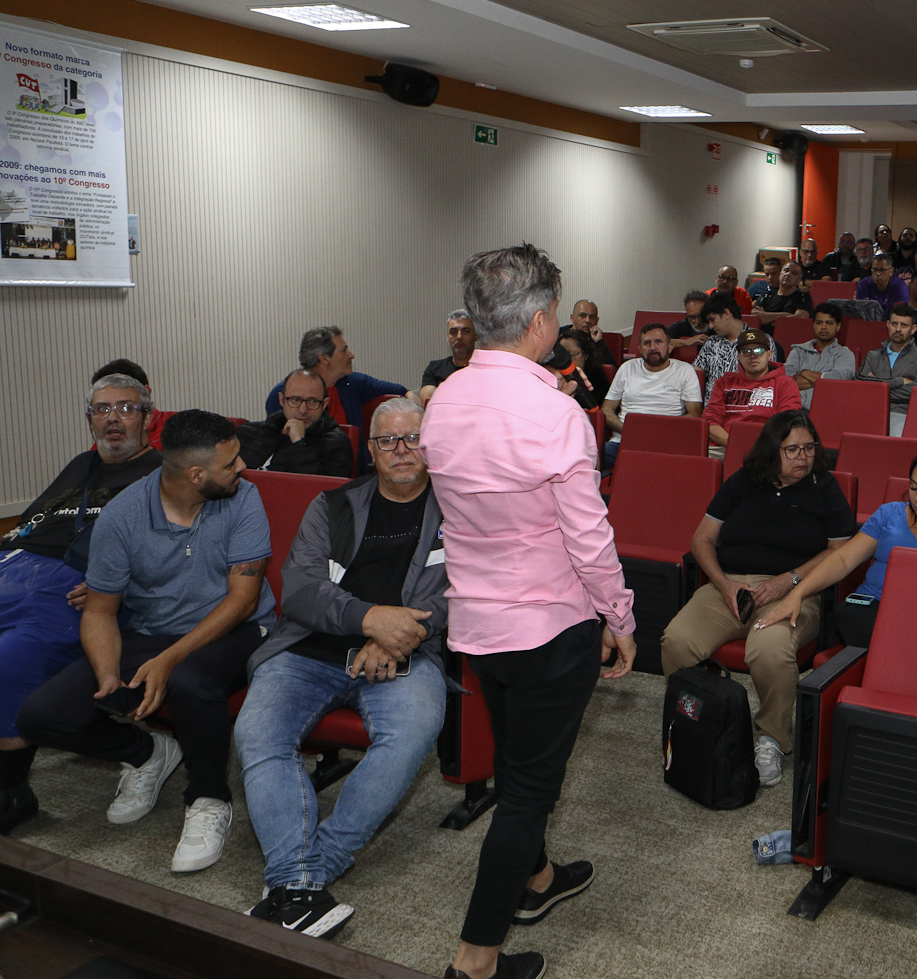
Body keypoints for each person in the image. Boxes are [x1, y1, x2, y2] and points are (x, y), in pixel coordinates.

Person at [420, 244, 637, 979]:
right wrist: (621, 615)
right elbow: (588, 536)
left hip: (479, 625)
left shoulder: (443, 397)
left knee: (518, 759)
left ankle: (538, 880)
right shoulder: (557, 413)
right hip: (550, 627)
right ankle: (475, 961)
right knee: (526, 791)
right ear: (543, 320)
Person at [16, 410, 277, 873]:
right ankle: (147, 753)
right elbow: (99, 611)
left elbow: (242, 599)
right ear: (196, 475)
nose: (242, 469)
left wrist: (170, 658)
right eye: (231, 463)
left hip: (236, 629)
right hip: (151, 630)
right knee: (42, 716)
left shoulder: (243, 499)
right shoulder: (123, 515)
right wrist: (109, 676)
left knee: (190, 681)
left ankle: (209, 797)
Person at [235, 398, 448, 937]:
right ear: (370, 451)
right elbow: (301, 591)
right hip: (311, 649)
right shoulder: (332, 506)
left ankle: (299, 876)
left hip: (407, 653)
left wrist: (400, 637)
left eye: (413, 438)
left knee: (411, 732)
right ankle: (301, 881)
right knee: (258, 733)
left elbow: (470, 593)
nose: (401, 450)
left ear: (433, 442)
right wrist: (370, 618)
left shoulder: (459, 511)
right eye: (387, 441)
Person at [0, 372, 164, 834]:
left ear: (148, 418)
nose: (113, 419)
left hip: (81, 586)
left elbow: (175, 550)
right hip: (18, 568)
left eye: (127, 409)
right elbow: (31, 524)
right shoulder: (80, 464)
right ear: (89, 419)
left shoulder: (163, 474)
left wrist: (117, 582)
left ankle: (11, 791)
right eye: (102, 409)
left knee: (9, 662)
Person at [661, 412, 854, 787]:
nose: (803, 457)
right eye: (792, 449)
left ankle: (772, 738)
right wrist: (722, 584)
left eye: (809, 448)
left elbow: (841, 548)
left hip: (795, 592)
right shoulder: (744, 482)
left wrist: (791, 579)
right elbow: (701, 540)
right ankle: (694, 724)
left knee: (768, 649)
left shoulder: (824, 487)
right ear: (771, 450)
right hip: (729, 587)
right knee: (677, 641)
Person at [766, 448, 917, 650]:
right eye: (913, 487)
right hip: (872, 608)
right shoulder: (890, 513)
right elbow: (843, 560)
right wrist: (798, 592)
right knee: (850, 614)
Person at [262, 326, 406, 436]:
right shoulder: (283, 394)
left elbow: (399, 391)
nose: (351, 355)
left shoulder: (352, 383)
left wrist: (411, 396)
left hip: (355, 472)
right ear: (324, 359)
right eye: (344, 351)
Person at [599, 322, 704, 465]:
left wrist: (658, 435)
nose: (652, 347)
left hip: (665, 444)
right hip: (623, 442)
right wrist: (628, 430)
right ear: (640, 349)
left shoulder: (685, 371)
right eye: (647, 343)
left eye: (658, 342)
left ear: (670, 346)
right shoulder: (627, 368)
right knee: (589, 457)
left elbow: (695, 414)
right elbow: (606, 409)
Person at [237, 369, 354, 477]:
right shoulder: (250, 433)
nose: (303, 410)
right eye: (295, 400)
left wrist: (299, 443)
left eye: (312, 401)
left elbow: (324, 493)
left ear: (324, 405)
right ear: (282, 400)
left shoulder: (337, 444)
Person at [704, 329, 803, 451]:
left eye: (759, 350)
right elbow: (710, 422)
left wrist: (756, 448)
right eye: (746, 351)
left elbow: (785, 423)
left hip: (766, 448)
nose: (752, 356)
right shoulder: (724, 382)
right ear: (739, 357)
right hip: (724, 446)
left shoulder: (785, 383)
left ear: (770, 354)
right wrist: (735, 443)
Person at [855, 304, 917, 436]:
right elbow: (860, 387)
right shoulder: (873, 355)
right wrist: (900, 381)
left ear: (913, 329)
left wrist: (876, 384)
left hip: (904, 414)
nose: (898, 329)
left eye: (904, 325)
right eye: (894, 324)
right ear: (888, 325)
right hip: (871, 412)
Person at [784, 302, 857, 409]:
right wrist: (825, 381)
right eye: (819, 322)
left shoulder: (845, 354)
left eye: (829, 323)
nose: (823, 327)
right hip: (792, 409)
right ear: (813, 325)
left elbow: (839, 379)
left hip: (827, 410)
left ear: (838, 326)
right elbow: (786, 381)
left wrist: (804, 372)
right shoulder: (798, 351)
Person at [89, 360, 173, 450]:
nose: (112, 418)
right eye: (102, 408)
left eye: (125, 407)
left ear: (146, 392)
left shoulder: (178, 428)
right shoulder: (97, 452)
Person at [695, 292, 746, 399]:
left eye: (712, 319)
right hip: (711, 410)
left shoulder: (760, 341)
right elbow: (695, 374)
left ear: (727, 313)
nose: (711, 326)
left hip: (743, 409)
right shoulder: (711, 343)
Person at [420, 309, 476, 401]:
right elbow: (427, 400)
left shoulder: (485, 368)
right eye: (453, 332)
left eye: (465, 331)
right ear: (447, 337)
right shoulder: (434, 369)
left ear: (476, 336)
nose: (459, 337)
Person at [554, 331, 608, 409]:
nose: (565, 359)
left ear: (585, 354)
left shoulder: (597, 376)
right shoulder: (554, 375)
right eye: (562, 354)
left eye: (572, 354)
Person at [754, 260, 812, 328]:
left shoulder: (803, 297)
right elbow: (754, 316)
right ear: (780, 274)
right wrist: (785, 315)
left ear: (799, 281)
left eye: (794, 273)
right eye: (786, 270)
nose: (788, 274)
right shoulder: (766, 295)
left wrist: (766, 318)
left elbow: (799, 319)